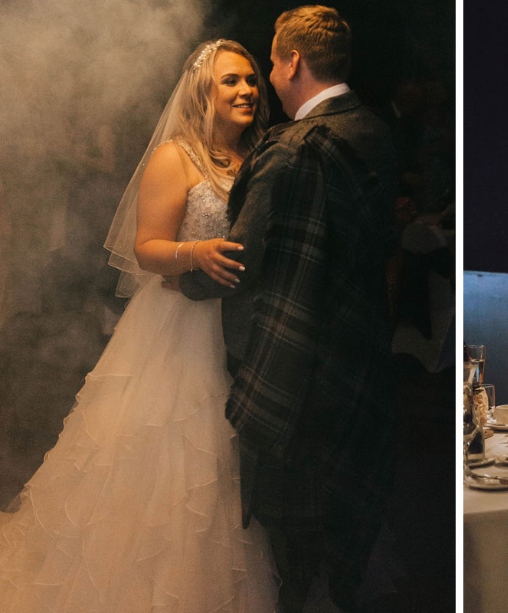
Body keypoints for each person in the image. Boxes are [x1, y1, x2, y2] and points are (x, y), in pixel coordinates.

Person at [0, 40, 279, 611]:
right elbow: (146, 247)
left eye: (251, 79)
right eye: (231, 81)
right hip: (178, 328)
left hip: (244, 327)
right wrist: (195, 253)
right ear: (202, 92)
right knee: (172, 448)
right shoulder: (176, 157)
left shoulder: (259, 155)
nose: (247, 90)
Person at [179, 7, 398, 612]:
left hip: (297, 370)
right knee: (347, 529)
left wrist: (181, 283)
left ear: (293, 61)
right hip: (361, 357)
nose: (263, 81)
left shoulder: (291, 147)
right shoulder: (373, 128)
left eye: (269, 65)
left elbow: (242, 262)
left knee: (296, 543)